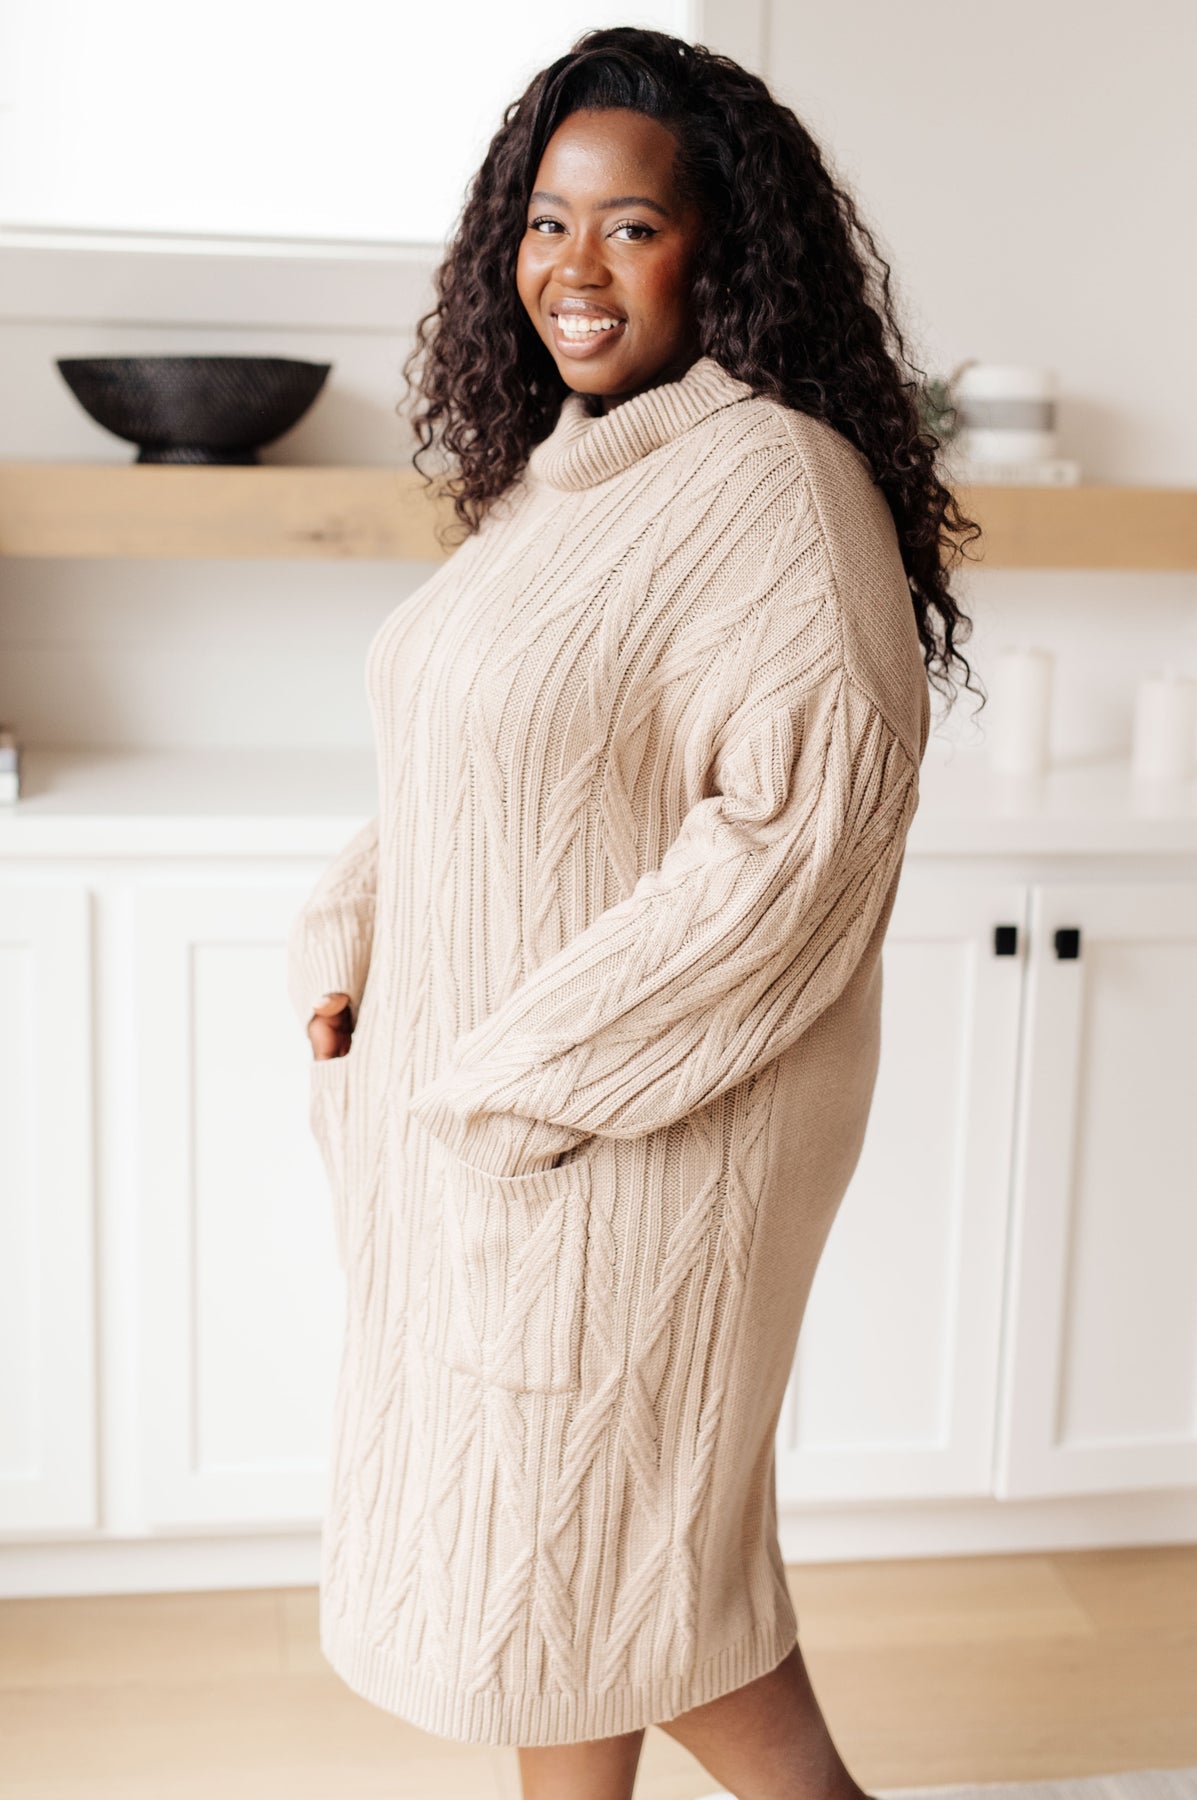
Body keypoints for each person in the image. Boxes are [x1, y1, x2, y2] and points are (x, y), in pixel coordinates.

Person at [289, 25, 979, 1800]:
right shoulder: (559, 479)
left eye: (630, 227)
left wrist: (524, 1077)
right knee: (569, 1579)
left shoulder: (775, 483)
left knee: (625, 1574)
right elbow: (469, 749)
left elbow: (796, 849)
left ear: (722, 249)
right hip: (492, 1125)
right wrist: (351, 933)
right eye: (543, 223)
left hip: (635, 1124)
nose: (571, 272)